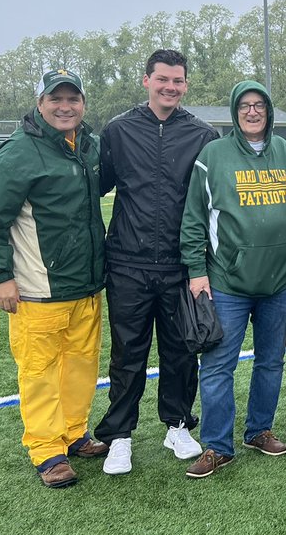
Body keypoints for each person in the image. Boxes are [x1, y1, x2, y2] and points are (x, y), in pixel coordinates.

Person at [0, 69, 108, 487]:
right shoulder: (19, 152)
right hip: (37, 290)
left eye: (73, 99)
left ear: (83, 103)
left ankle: (73, 432)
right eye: (56, 99)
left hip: (85, 285)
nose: (65, 106)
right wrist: (0, 277)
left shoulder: (88, 147)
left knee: (82, 365)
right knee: (40, 370)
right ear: (40, 103)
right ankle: (47, 450)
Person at [94, 50, 220, 475]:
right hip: (127, 262)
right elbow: (95, 186)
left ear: (186, 85)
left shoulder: (202, 135)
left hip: (180, 264)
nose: (170, 87)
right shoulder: (119, 130)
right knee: (128, 351)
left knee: (181, 350)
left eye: (178, 81)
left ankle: (178, 424)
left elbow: (210, 201)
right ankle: (120, 436)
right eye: (162, 79)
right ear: (146, 80)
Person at [180, 80, 286, 479]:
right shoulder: (212, 156)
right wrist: (197, 272)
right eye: (245, 105)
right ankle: (217, 445)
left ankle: (259, 430)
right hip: (228, 281)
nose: (252, 112)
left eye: (259, 106)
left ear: (268, 111)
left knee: (271, 362)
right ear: (234, 111)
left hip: (280, 279)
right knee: (217, 367)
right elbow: (194, 219)